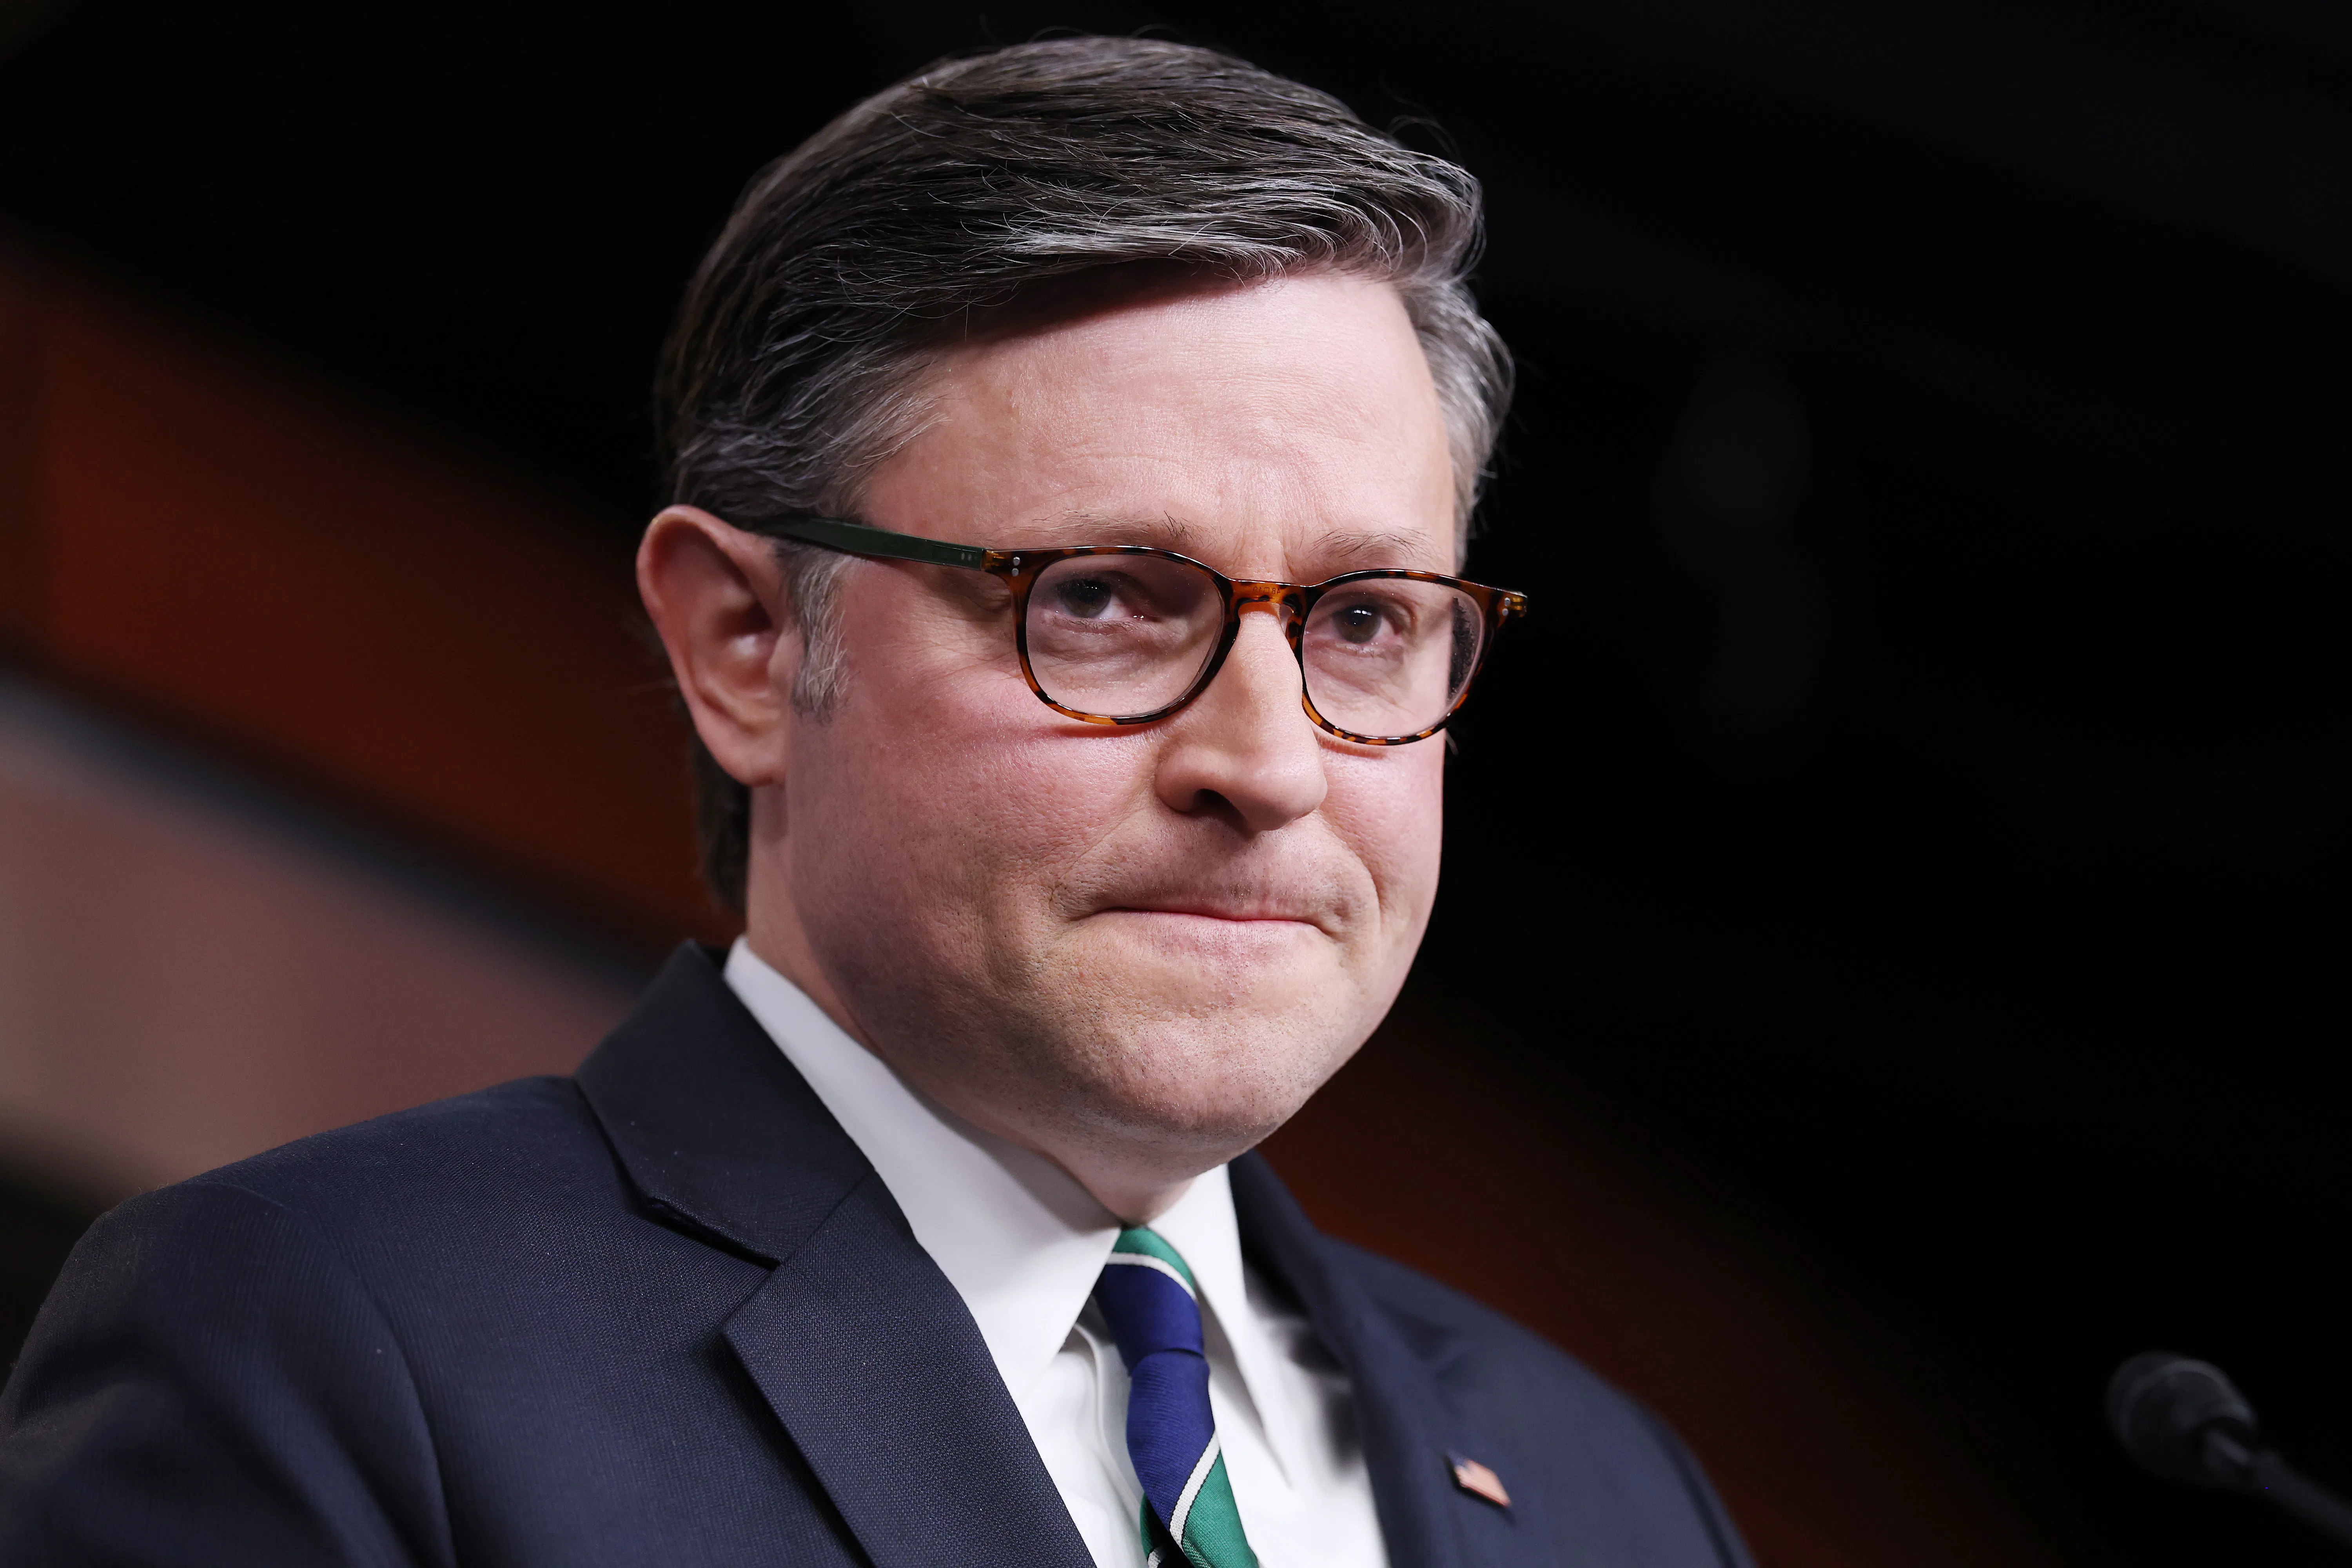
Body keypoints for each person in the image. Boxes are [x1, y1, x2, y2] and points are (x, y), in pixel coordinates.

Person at [0, 37, 1750, 1568]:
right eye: (1108, 599)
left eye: (1365, 622)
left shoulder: (1613, 1492)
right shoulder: (320, 1343)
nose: (1272, 764)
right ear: (748, 644)